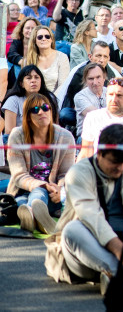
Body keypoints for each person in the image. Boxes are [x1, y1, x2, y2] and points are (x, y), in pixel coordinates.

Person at [46, 125, 123, 287]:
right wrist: (119, 250)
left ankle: (113, 277)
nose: (121, 167)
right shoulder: (78, 173)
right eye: (115, 162)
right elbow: (89, 215)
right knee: (72, 230)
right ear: (100, 153)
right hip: (87, 254)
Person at [7, 93, 72, 234]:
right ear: (28, 117)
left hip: (53, 195)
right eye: (35, 109)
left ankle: (31, 216)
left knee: (32, 199)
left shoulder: (65, 137)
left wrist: (59, 189)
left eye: (45, 107)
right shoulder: (17, 135)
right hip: (21, 190)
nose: (41, 111)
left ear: (51, 110)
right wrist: (44, 185)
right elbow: (19, 175)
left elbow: (66, 174)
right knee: (23, 201)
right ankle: (35, 216)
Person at [3, 64, 56, 135]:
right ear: (21, 84)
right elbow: (9, 131)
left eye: (36, 77)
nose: (33, 81)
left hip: (45, 139)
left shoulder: (49, 98)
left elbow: (55, 126)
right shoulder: (13, 100)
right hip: (19, 140)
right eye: (29, 78)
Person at [26, 26, 69, 93]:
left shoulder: (62, 57)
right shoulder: (29, 59)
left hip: (56, 99)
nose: (44, 39)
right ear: (34, 41)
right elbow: (27, 84)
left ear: (51, 40)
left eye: (47, 36)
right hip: (35, 98)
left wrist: (51, 100)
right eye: (40, 37)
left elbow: (63, 85)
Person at [74, 63, 107, 141]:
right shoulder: (80, 96)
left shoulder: (111, 92)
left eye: (98, 77)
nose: (95, 82)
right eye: (91, 79)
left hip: (109, 135)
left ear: (104, 78)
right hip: (87, 137)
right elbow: (96, 116)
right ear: (85, 80)